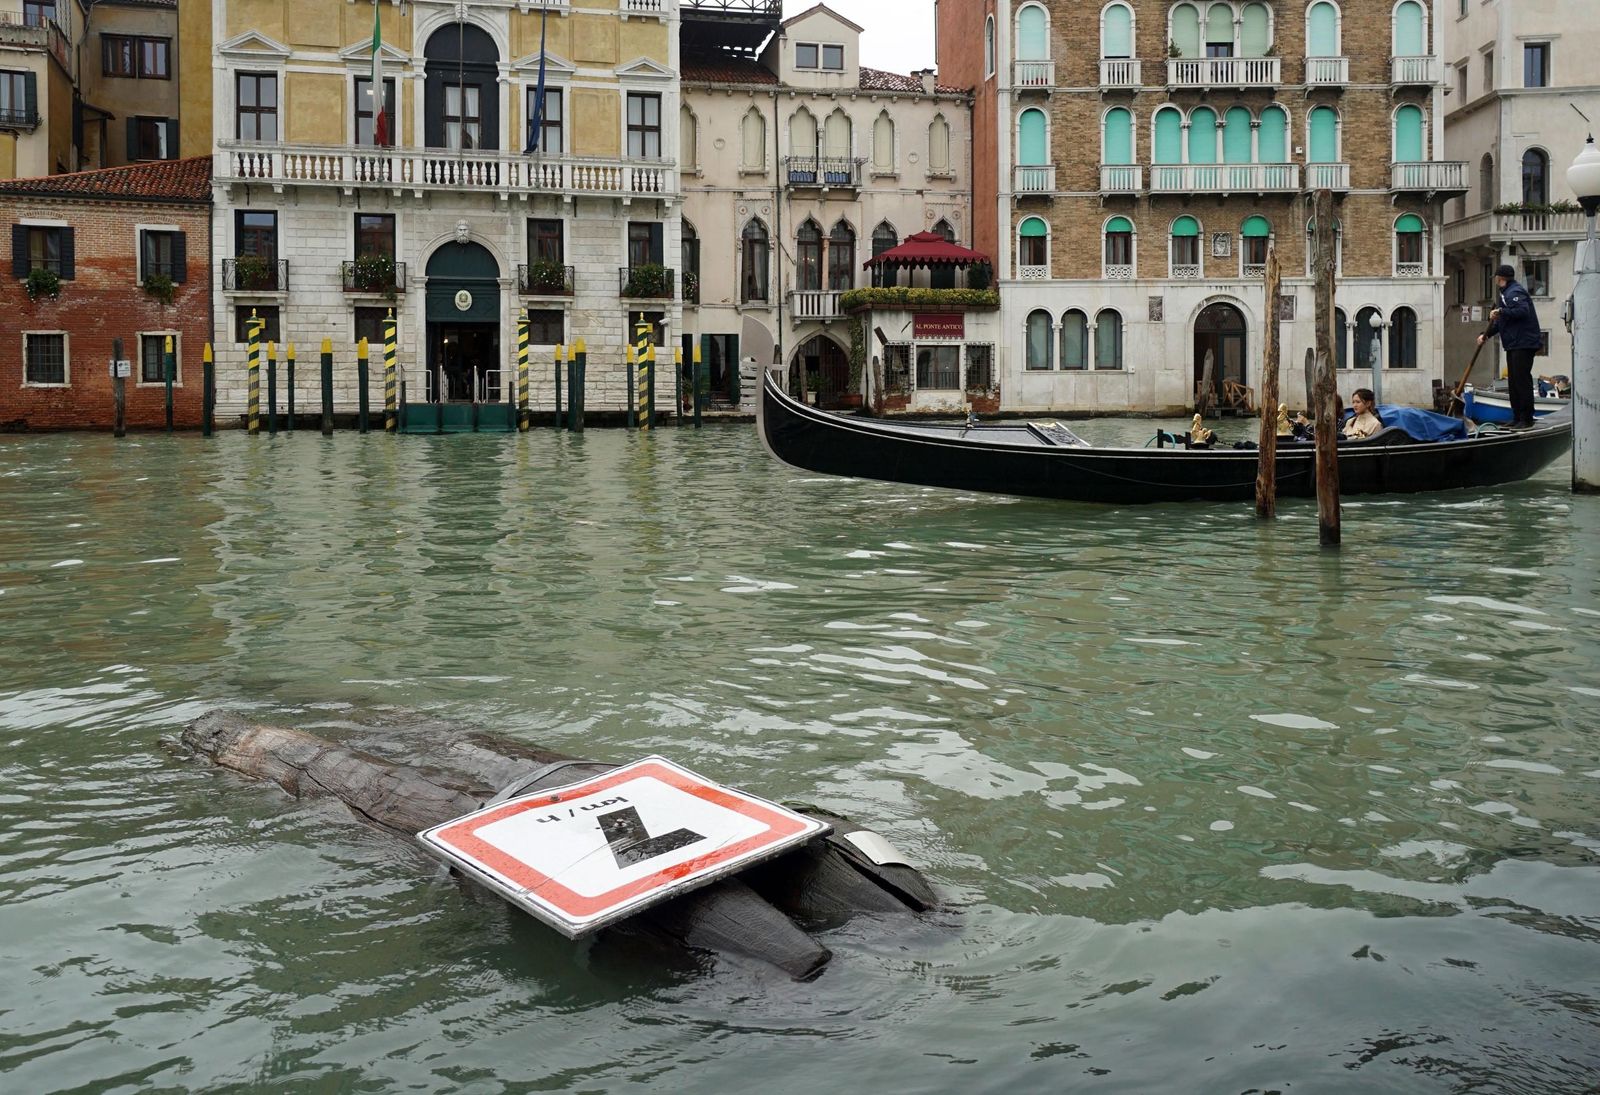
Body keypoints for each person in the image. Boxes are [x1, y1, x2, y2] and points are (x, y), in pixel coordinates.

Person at [1477, 264, 1542, 429]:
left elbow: (1523, 311)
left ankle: (1526, 419)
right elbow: (1501, 322)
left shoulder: (1514, 292)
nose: (1495, 281)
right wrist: (1486, 335)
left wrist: (1501, 312)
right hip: (1514, 344)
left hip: (1524, 343)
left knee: (1521, 381)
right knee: (1513, 382)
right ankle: (1517, 417)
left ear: (1501, 278)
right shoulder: (1505, 294)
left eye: (1496, 278)